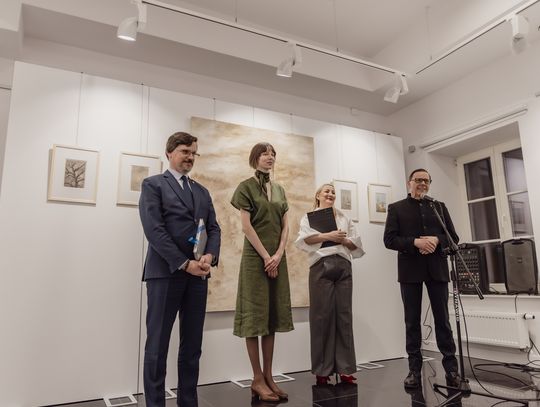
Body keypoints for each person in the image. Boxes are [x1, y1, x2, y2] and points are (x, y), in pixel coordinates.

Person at [139, 132, 221, 407]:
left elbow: (213, 228)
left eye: (194, 153)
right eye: (185, 151)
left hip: (198, 276)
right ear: (169, 153)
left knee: (192, 347)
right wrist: (185, 263)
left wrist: (209, 255)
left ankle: (188, 402)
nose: (190, 157)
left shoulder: (202, 191)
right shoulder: (153, 185)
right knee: (157, 346)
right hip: (166, 274)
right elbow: (154, 230)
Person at [383, 168, 460, 389]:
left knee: (443, 321)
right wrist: (415, 242)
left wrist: (436, 240)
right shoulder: (396, 208)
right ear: (409, 183)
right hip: (410, 271)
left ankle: (452, 370)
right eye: (418, 180)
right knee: (412, 322)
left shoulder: (439, 206)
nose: (423, 184)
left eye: (426, 181)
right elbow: (389, 240)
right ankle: (414, 371)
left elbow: (453, 238)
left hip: (437, 269)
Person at [230, 142, 294, 402]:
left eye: (273, 154)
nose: (270, 157)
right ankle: (256, 378)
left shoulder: (279, 189)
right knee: (254, 317)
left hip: (277, 258)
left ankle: (268, 376)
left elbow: (286, 226)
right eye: (265, 153)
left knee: (271, 316)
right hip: (255, 259)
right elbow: (246, 227)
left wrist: (278, 254)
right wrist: (267, 256)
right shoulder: (245, 187)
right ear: (254, 158)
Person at [295, 183, 365, 385]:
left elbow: (355, 245)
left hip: (343, 266)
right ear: (317, 195)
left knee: (344, 316)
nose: (331, 194)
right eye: (326, 191)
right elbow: (304, 241)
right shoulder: (309, 217)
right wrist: (329, 236)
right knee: (321, 317)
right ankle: (322, 371)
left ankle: (345, 369)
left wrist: (343, 240)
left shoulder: (344, 217)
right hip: (321, 265)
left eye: (333, 192)